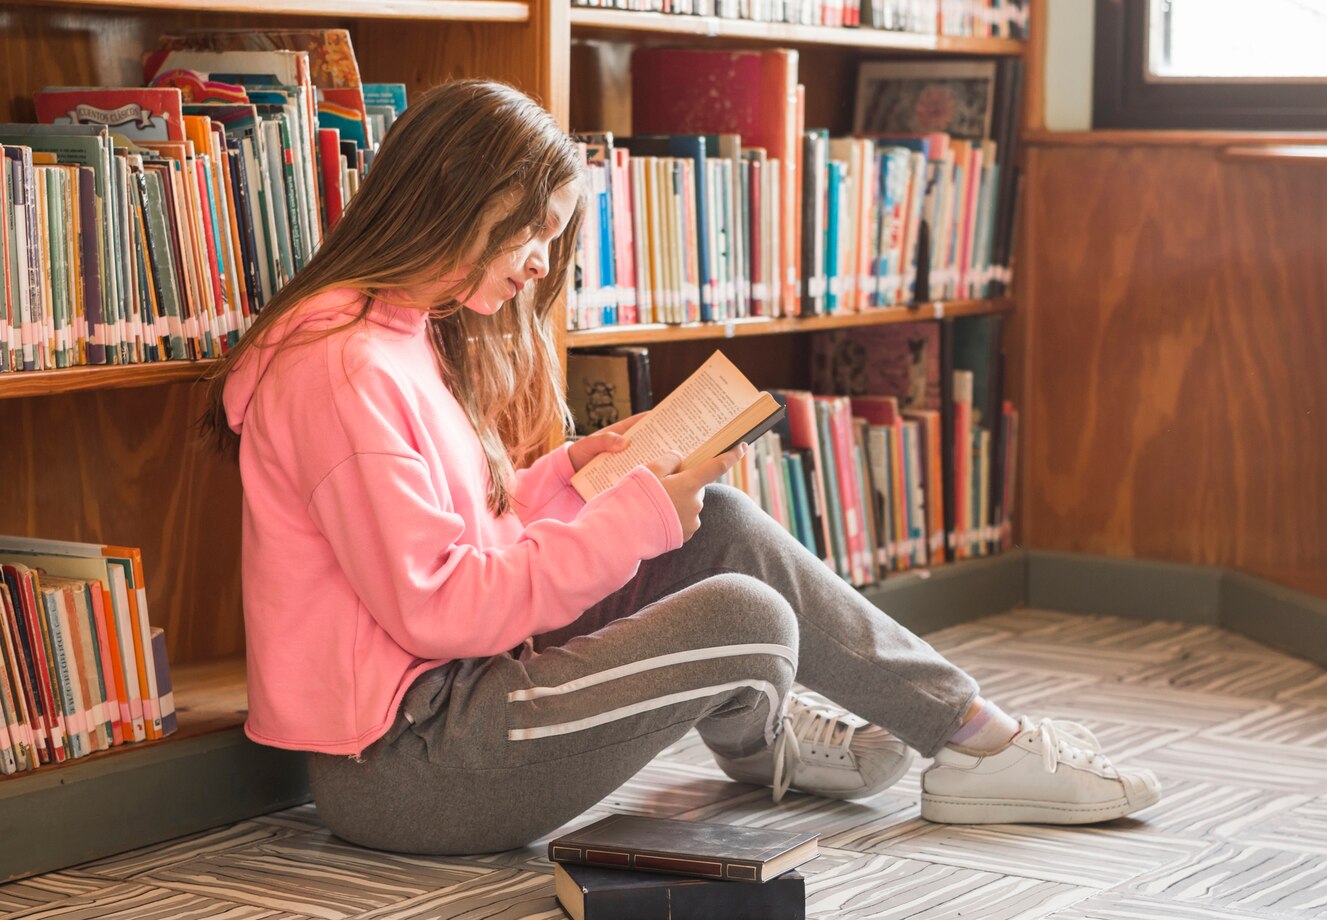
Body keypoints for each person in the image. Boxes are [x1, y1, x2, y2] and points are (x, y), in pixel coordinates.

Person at [201, 79, 1159, 856]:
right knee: (748, 617)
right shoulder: (342, 371)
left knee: (724, 526)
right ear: (457, 200)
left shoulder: (396, 336)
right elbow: (441, 608)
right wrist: (631, 515)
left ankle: (972, 737)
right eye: (531, 233)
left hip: (455, 706)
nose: (539, 265)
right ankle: (777, 733)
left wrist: (580, 472)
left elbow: (458, 541)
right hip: (412, 768)